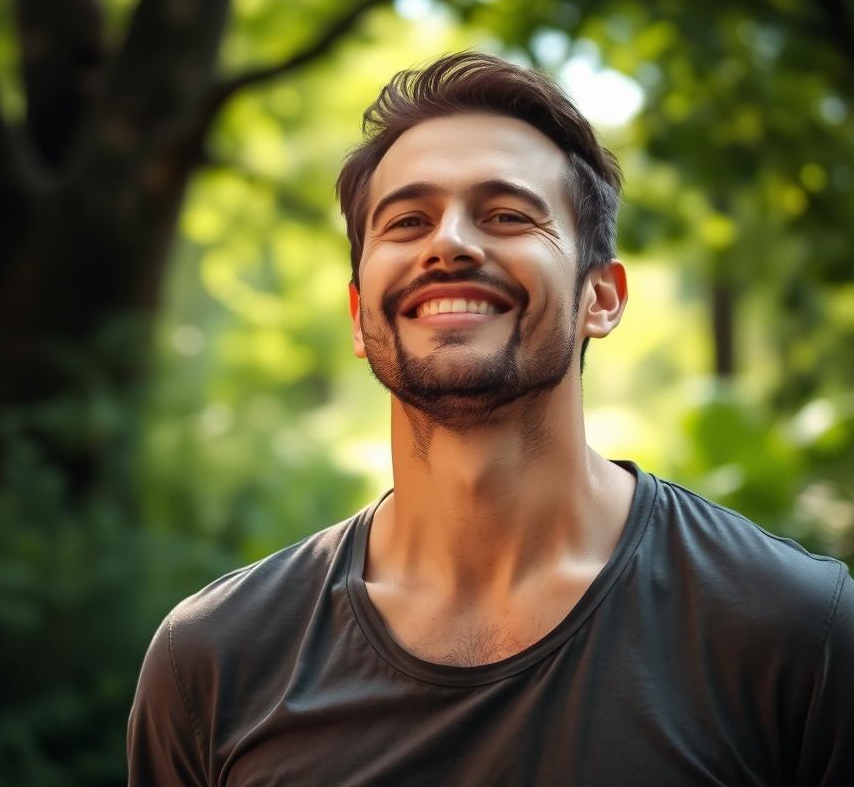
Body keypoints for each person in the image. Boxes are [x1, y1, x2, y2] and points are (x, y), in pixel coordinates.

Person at [127, 52, 854, 785]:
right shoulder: (212, 663)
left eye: (507, 215)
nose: (449, 244)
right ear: (357, 314)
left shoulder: (796, 632)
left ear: (601, 297)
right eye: (408, 221)